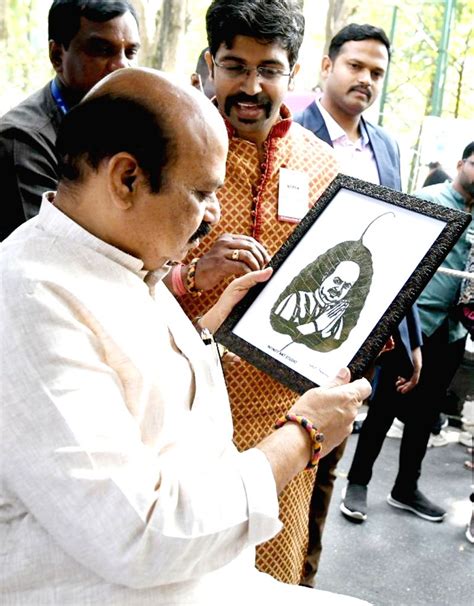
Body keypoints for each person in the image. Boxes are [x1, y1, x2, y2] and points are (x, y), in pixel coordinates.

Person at [0, 66, 373, 605]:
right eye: (201, 192)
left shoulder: (120, 256)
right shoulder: (28, 298)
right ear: (126, 179)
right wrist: (302, 437)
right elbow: (139, 532)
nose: (212, 216)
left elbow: (133, 378)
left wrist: (210, 328)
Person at [171, 0, 339, 585]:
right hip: (183, 414)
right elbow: (122, 281)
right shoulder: (174, 150)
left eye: (268, 69)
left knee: (273, 578)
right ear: (210, 65)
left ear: (293, 73)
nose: (250, 86)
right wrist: (196, 275)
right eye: (234, 65)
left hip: (286, 421)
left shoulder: (322, 166)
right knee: (194, 577)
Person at [294, 23, 422, 585]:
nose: (365, 79)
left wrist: (409, 337)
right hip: (291, 332)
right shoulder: (291, 132)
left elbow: (402, 246)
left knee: (324, 471)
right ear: (327, 66)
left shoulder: (386, 147)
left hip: (360, 342)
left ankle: (303, 583)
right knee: (278, 463)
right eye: (355, 66)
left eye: (376, 72)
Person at [340, 142, 474, 529]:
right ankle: (358, 483)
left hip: (451, 333)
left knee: (425, 415)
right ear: (459, 163)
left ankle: (405, 488)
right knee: (381, 408)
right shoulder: (428, 199)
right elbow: (395, 262)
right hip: (411, 326)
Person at [0, 0, 140, 241]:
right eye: (102, 50)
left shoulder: (120, 124)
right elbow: (47, 251)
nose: (121, 66)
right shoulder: (22, 140)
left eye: (130, 53)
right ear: (57, 56)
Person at [273, 260, 361, 341]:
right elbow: (276, 336)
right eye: (337, 281)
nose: (338, 289)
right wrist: (316, 325)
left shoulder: (337, 319)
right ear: (325, 276)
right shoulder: (297, 300)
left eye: (346, 286)